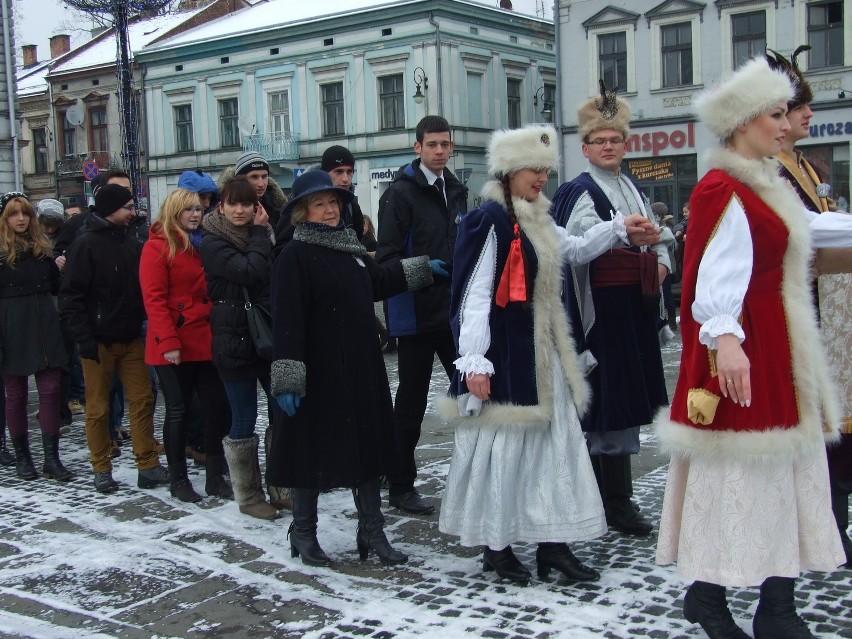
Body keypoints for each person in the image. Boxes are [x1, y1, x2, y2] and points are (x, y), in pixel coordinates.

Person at [655, 56, 846, 639]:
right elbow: (712, 277)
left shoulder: (761, 183)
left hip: (777, 345)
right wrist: (729, 340)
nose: (786, 125)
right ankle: (725, 602)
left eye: (787, 113)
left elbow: (811, 235)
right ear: (745, 122)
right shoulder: (724, 187)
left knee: (778, 471)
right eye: (777, 113)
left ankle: (766, 605)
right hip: (746, 348)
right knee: (744, 470)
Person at [437, 125, 659, 584]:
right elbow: (473, 296)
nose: (541, 177)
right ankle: (497, 548)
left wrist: (619, 228)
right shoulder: (489, 220)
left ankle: (552, 546)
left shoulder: (538, 215)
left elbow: (573, 249)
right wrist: (474, 360)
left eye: (545, 169)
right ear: (508, 170)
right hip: (508, 355)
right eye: (532, 169)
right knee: (507, 450)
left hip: (546, 355)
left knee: (556, 450)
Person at [268, 170, 438, 566]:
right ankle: (304, 532)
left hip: (361, 368)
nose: (329, 210)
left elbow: (376, 280)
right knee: (310, 452)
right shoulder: (294, 254)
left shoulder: (349, 248)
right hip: (319, 372)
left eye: (333, 203)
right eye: (319, 204)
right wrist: (289, 376)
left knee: (367, 448)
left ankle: (372, 532)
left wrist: (425, 268)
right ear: (302, 213)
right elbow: (287, 319)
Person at [550, 85, 670, 536]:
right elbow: (575, 250)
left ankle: (613, 497)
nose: (607, 146)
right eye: (599, 141)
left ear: (625, 145)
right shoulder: (577, 190)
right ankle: (611, 500)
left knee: (622, 402)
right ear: (584, 148)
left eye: (614, 140)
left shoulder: (632, 186)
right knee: (607, 404)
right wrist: (619, 235)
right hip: (602, 312)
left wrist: (659, 264)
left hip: (633, 308)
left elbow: (659, 235)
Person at [767, 46, 852, 568]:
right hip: (796, 311)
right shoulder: (768, 170)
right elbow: (804, 232)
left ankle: (833, 529)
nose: (805, 115)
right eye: (793, 107)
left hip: (827, 311)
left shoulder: (805, 163)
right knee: (812, 430)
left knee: (833, 430)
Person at [375, 115, 467, 515]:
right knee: (409, 404)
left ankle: (480, 477)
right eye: (433, 145)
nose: (440, 152)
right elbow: (387, 259)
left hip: (453, 313)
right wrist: (428, 268)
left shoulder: (458, 190)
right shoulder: (398, 195)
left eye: (446, 144)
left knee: (473, 393)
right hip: (414, 316)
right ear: (417, 147)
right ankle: (399, 484)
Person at [59, 184, 168, 494]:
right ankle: (101, 467)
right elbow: (71, 296)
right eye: (128, 207)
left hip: (132, 336)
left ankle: (147, 464)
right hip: (98, 341)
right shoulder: (85, 245)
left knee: (144, 399)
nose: (133, 211)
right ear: (111, 209)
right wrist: (84, 338)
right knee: (98, 407)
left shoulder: (132, 242)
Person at [140, 188, 233, 502]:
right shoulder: (157, 248)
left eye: (198, 209)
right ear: (173, 212)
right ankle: (178, 479)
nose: (196, 214)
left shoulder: (203, 244)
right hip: (174, 342)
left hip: (205, 339)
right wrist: (168, 341)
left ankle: (215, 475)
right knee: (178, 411)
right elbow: (154, 301)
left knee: (217, 407)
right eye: (188, 210)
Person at [200, 175, 279, 521]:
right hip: (233, 339)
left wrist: (262, 236)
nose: (240, 210)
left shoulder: (264, 236)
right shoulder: (213, 241)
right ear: (221, 206)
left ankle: (283, 484)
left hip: (265, 336)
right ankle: (248, 494)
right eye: (233, 203)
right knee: (243, 417)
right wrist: (261, 235)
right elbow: (251, 271)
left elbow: (270, 275)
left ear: (256, 207)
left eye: (247, 203)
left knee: (281, 411)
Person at [0, 192, 71, 481]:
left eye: (25, 213)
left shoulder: (42, 250)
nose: (21, 219)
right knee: (15, 395)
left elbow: (56, 288)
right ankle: (23, 458)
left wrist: (61, 270)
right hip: (10, 327)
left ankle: (51, 459)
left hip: (45, 325)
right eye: (14, 214)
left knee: (51, 392)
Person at [651, 202, 678, 332]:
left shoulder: (666, 227)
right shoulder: (663, 226)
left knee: (666, 295)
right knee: (665, 295)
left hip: (665, 266)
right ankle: (668, 322)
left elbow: (673, 245)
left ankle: (670, 322)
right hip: (664, 265)